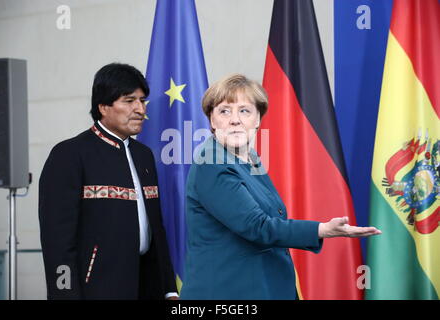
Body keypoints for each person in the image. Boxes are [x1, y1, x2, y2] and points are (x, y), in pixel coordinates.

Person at [179, 74, 381, 300]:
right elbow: (257, 226)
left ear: (258, 119)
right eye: (224, 111)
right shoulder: (213, 164)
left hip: (264, 287)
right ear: (212, 121)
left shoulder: (248, 158)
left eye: (244, 110)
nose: (234, 119)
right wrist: (322, 230)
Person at [39, 63, 178, 300]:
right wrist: (64, 295)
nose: (139, 109)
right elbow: (57, 244)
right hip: (96, 290)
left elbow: (156, 229)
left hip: (147, 287)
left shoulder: (144, 155)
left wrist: (169, 289)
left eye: (142, 101)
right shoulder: (69, 155)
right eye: (129, 100)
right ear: (103, 107)